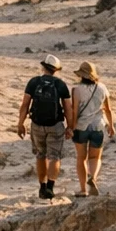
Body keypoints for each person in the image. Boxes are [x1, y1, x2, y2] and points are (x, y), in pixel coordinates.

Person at [17, 54, 71, 200]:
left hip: (36, 124)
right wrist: (70, 127)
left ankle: (42, 187)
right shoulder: (60, 85)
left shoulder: (34, 82)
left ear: (43, 67)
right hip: (55, 125)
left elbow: (25, 105)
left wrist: (21, 123)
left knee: (41, 155)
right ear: (56, 70)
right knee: (54, 156)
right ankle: (50, 187)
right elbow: (67, 108)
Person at [70, 61, 116, 196]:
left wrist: (71, 127)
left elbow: (75, 111)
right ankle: (93, 178)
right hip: (98, 126)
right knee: (95, 157)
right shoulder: (102, 88)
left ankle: (83, 189)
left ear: (81, 75)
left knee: (81, 158)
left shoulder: (76, 90)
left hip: (81, 127)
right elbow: (108, 109)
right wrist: (111, 125)